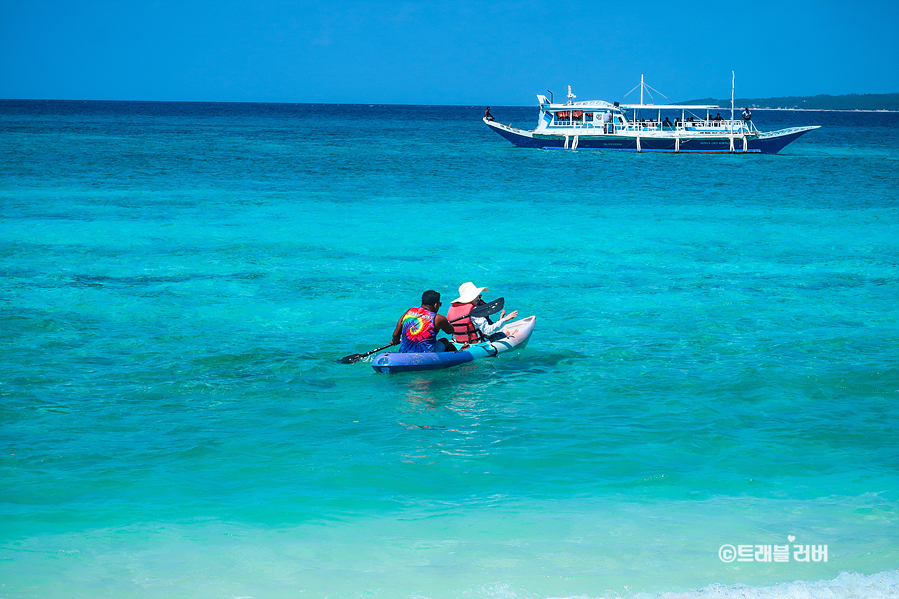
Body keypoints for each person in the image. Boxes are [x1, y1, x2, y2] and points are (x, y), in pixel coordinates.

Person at [447, 282, 519, 344]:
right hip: (478, 343)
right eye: (478, 296)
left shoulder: (453, 309)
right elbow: (487, 331)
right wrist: (505, 319)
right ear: (473, 297)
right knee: (501, 335)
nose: (479, 298)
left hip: (461, 343)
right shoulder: (475, 310)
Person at [392, 290, 459, 353]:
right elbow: (450, 331)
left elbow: (395, 334)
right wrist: (446, 323)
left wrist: (395, 341)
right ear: (436, 305)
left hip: (404, 352)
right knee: (445, 341)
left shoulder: (409, 311)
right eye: (440, 304)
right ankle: (458, 355)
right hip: (426, 355)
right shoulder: (438, 318)